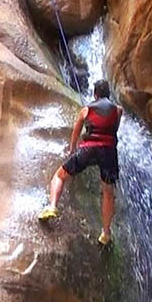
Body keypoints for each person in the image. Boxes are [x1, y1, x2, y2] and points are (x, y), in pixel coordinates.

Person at [38, 79, 123, 245]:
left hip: (88, 150)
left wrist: (72, 150)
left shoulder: (86, 110)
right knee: (108, 192)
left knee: (60, 175)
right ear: (108, 94)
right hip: (108, 152)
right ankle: (105, 233)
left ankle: (52, 206)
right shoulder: (118, 110)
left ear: (95, 94)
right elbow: (114, 129)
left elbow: (76, 132)